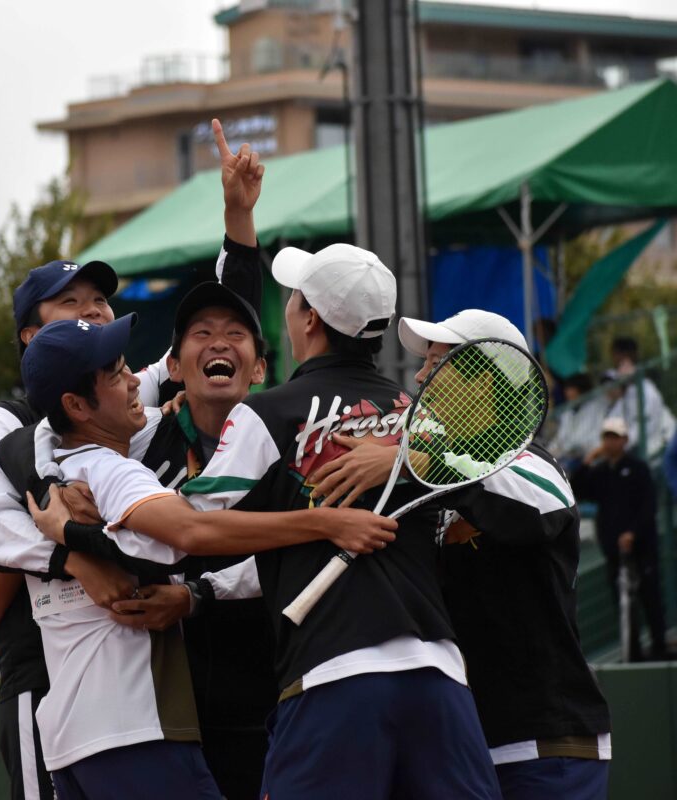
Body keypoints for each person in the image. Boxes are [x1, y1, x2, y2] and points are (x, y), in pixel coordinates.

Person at [0, 119, 276, 800]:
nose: (93, 312)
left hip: (137, 667)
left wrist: (238, 219)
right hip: (43, 665)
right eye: (71, 304)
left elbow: (218, 340)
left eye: (100, 301)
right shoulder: (9, 422)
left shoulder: (123, 397)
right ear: (30, 336)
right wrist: (74, 553)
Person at [168, 243, 501, 799]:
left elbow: (187, 526)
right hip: (440, 676)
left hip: (333, 678)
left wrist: (85, 517)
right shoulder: (422, 421)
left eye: (294, 298)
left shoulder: (265, 413)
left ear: (311, 319)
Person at [17, 315, 393, 799]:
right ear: (74, 405)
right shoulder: (110, 471)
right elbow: (193, 531)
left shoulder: (43, 477)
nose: (134, 381)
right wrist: (325, 523)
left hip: (70, 744)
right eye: (115, 375)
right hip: (135, 730)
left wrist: (67, 539)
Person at [311, 309, 614, 799]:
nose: (419, 377)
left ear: (483, 384)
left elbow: (541, 503)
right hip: (463, 746)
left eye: (435, 363)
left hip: (547, 746)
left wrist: (408, 461)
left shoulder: (531, 460)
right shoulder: (433, 479)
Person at [572, 417, 669, 662]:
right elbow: (577, 489)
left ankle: (659, 645)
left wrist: (633, 533)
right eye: (606, 437)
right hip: (614, 550)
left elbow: (648, 505)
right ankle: (632, 651)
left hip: (642, 547)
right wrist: (588, 460)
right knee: (623, 602)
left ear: (625, 440)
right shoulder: (601, 472)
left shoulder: (638, 468)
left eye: (614, 437)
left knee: (650, 595)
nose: (610, 442)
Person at [606, 336, 676, 457]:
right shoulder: (623, 395)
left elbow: (646, 429)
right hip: (632, 449)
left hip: (655, 449)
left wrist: (621, 444)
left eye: (618, 357)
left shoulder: (647, 391)